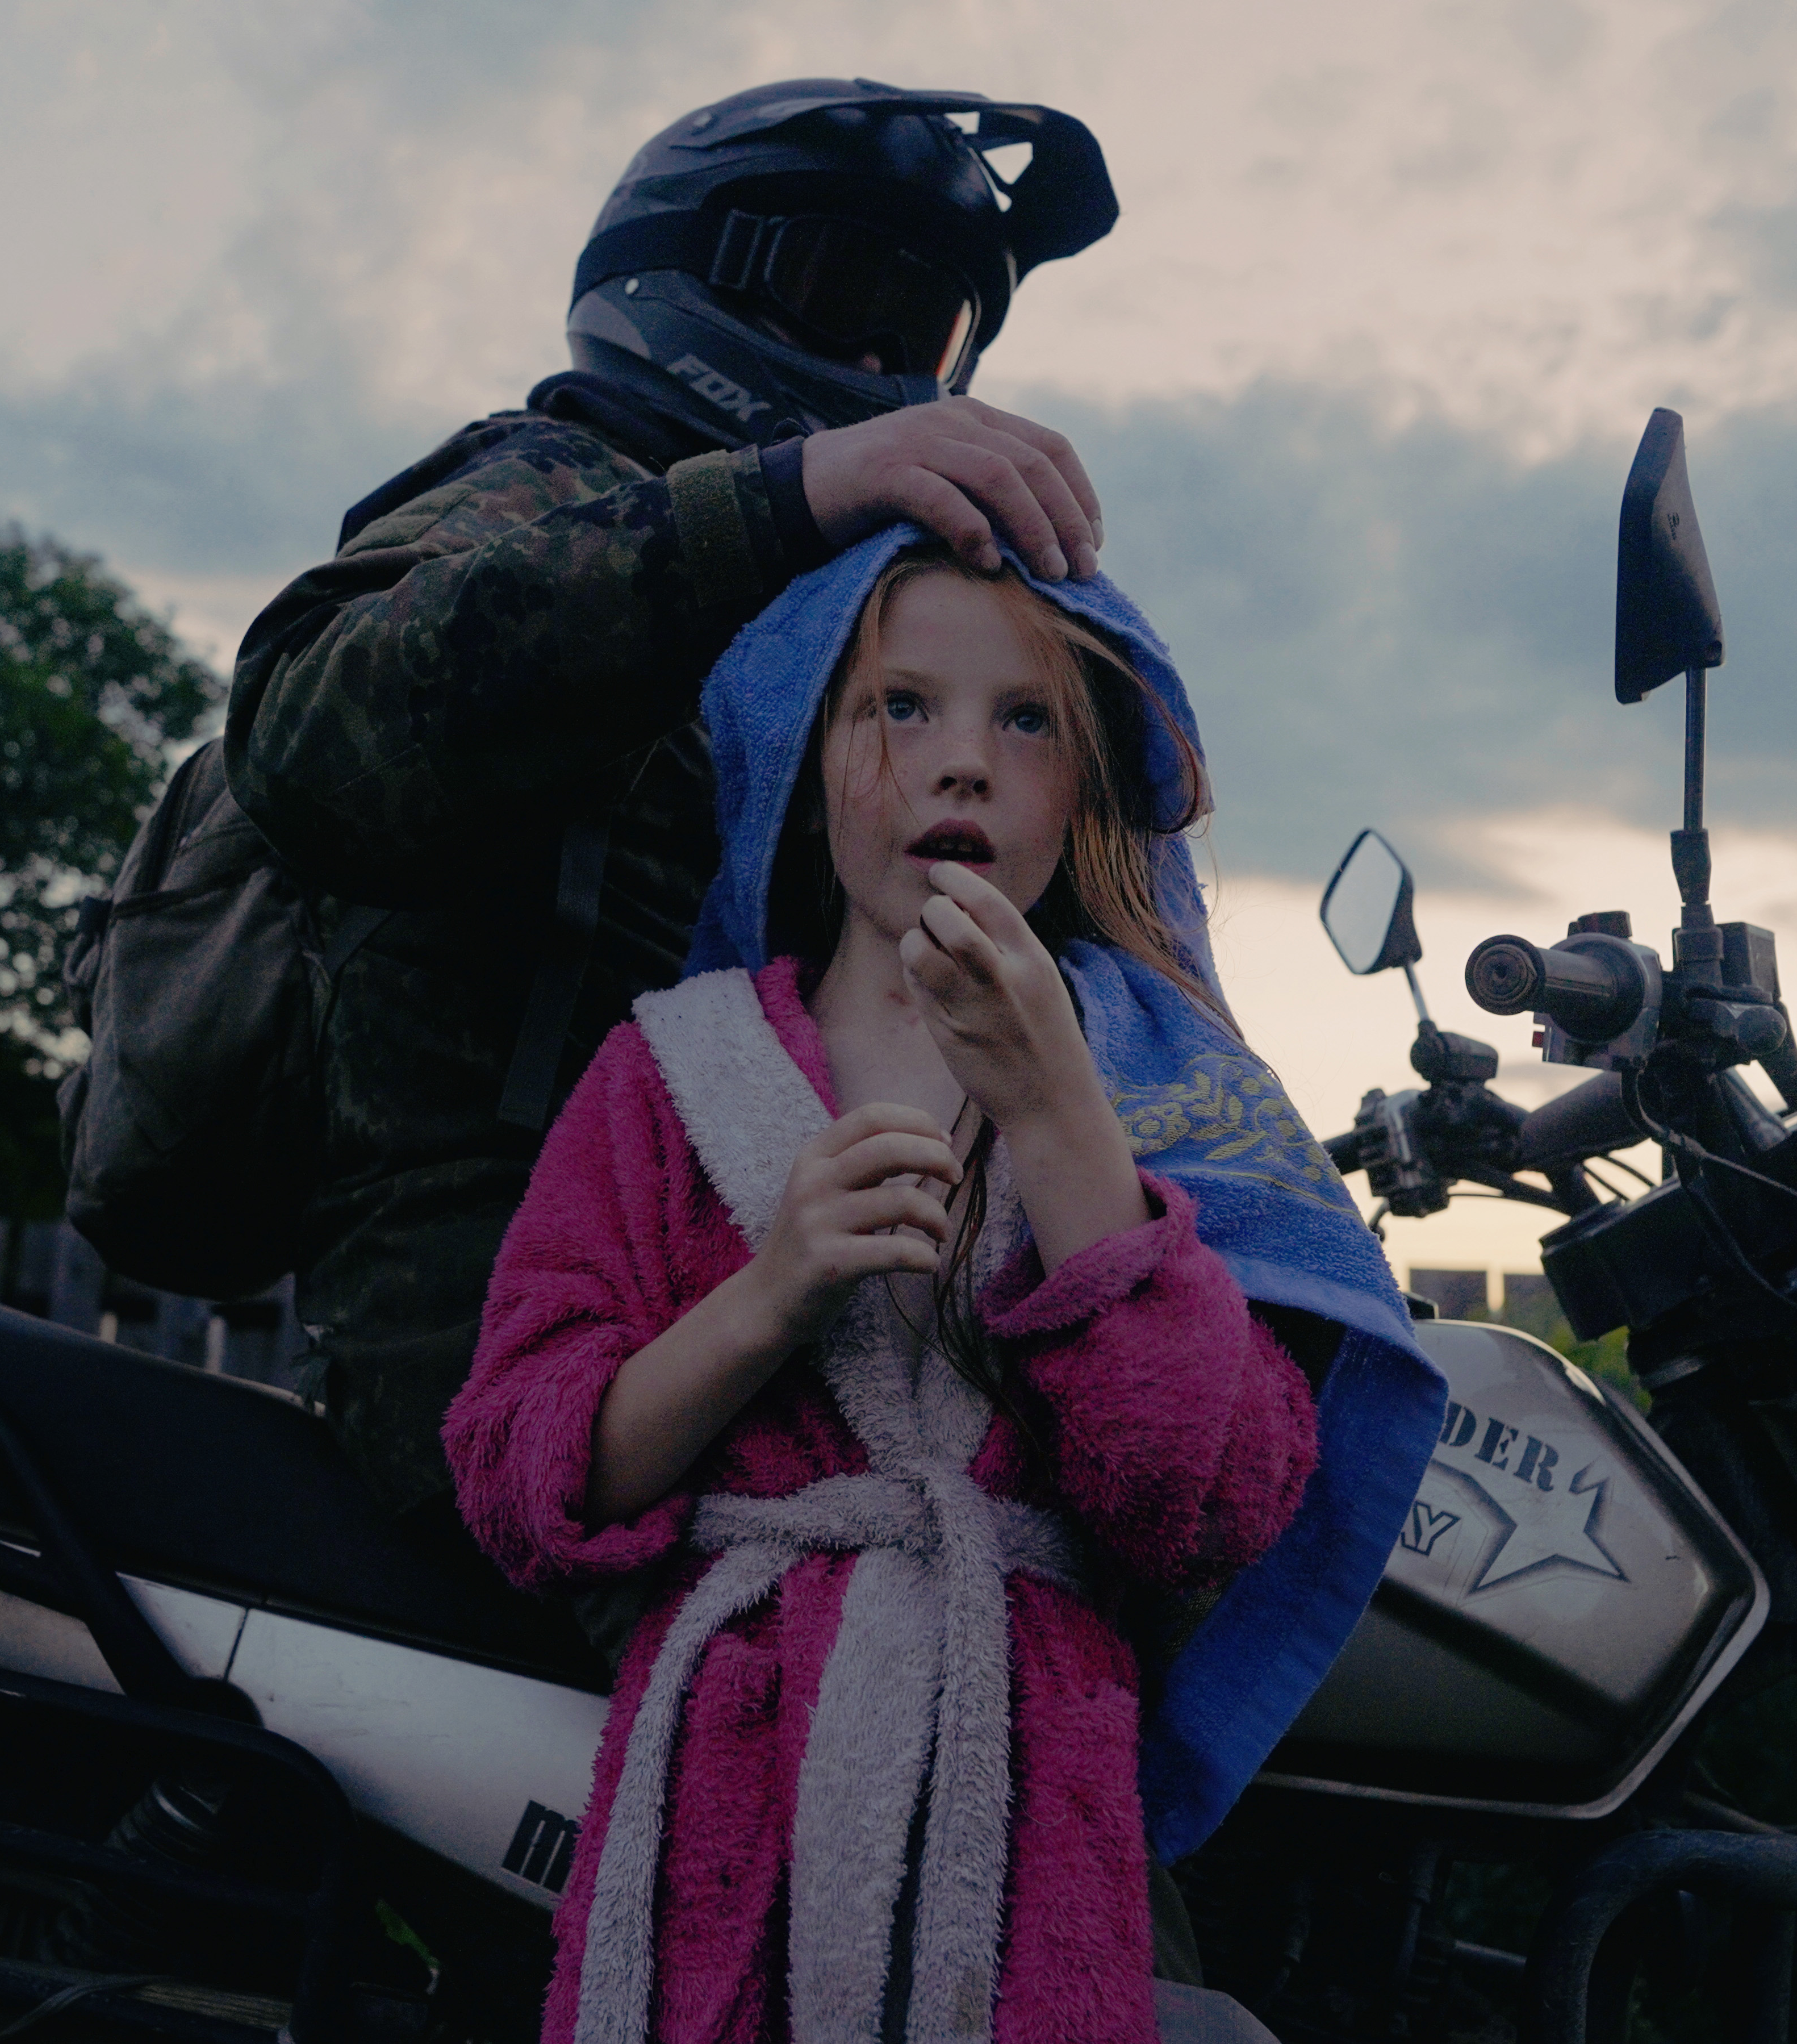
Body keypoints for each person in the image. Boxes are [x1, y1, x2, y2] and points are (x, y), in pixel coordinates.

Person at [446, 536, 1443, 2043]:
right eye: (899, 706)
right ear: (804, 750)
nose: (960, 763)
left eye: (1024, 719)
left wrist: (1056, 1123)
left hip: (1024, 1788)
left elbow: (1211, 1495)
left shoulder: (1167, 1090)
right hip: (726, 1778)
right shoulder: (670, 1067)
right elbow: (520, 1468)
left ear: (1082, 787)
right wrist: (763, 1294)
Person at [224, 80, 1119, 1535]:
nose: (883, 360)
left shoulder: (843, 612)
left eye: (927, 333)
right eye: (844, 291)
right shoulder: (548, 485)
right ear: (688, 271)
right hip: (513, 1319)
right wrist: (776, 498)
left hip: (777, 1270)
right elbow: (314, 738)